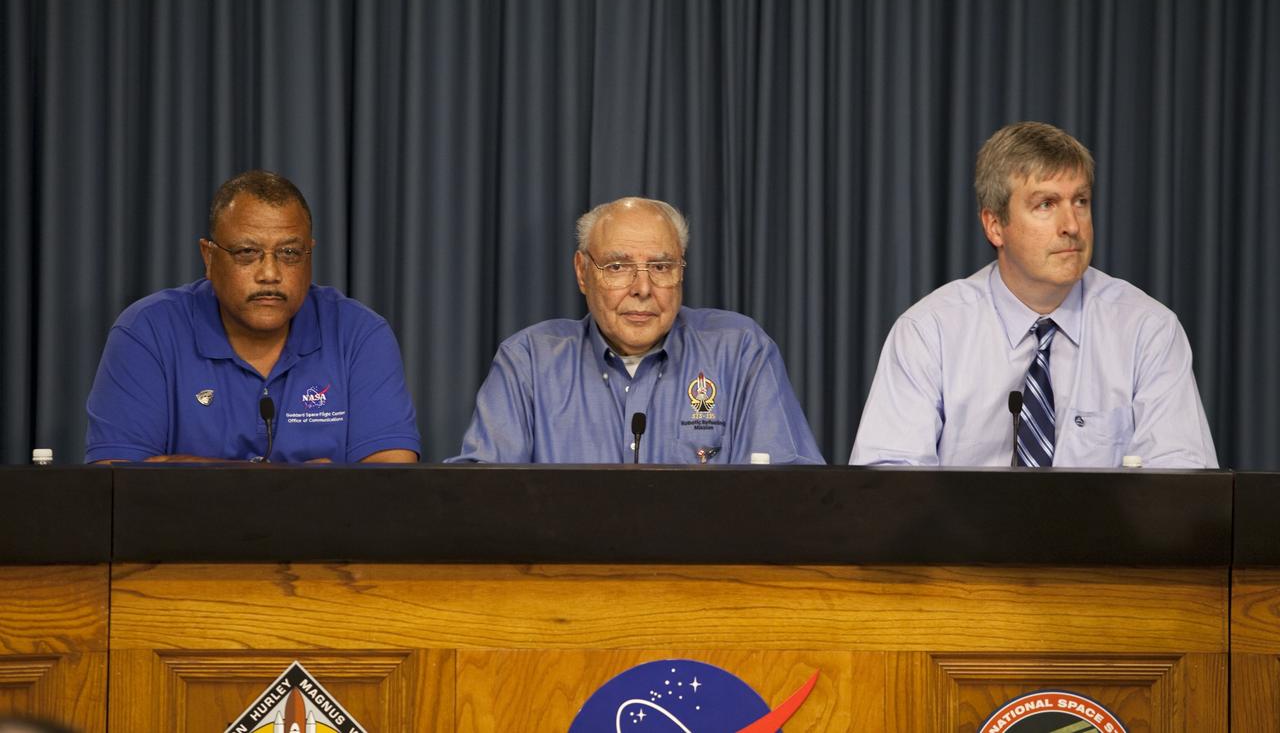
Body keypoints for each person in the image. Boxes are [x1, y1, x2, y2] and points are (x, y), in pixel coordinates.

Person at [851, 121, 1217, 468]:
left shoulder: (1147, 331)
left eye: (1081, 202)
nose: (1072, 226)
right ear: (995, 226)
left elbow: (1183, 485)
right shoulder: (929, 333)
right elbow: (888, 489)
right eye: (1046, 204)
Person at [449, 197, 824, 464]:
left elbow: (789, 494)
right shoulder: (528, 361)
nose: (642, 288)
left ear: (681, 270)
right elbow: (481, 500)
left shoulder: (740, 351)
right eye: (617, 267)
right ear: (583, 272)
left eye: (661, 267)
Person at [84, 171, 420, 463]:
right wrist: (286, 480)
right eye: (248, 253)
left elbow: (390, 484)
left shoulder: (359, 334)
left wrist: (186, 470)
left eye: (289, 253)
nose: (270, 274)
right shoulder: (148, 331)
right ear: (209, 256)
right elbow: (117, 482)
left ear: (309, 255)